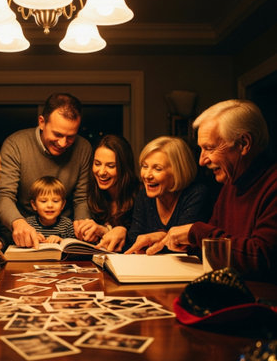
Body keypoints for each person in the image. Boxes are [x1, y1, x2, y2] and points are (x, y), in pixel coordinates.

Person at [144, 100, 277, 281]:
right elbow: (219, 244)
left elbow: (262, 258)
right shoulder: (231, 184)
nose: (202, 160)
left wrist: (196, 233)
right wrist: (177, 240)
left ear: (244, 143)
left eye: (209, 148)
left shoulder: (272, 184)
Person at [0, 93, 92, 248]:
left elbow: (81, 199)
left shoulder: (83, 148)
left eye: (70, 137)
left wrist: (82, 227)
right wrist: (18, 224)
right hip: (22, 235)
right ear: (41, 122)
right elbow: (4, 194)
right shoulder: (15, 144)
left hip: (63, 237)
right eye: (57, 134)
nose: (63, 143)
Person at [125, 136, 211, 252]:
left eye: (157, 169)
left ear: (178, 171)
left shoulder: (196, 194)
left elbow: (181, 245)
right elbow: (134, 241)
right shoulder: (144, 196)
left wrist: (161, 237)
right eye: (145, 166)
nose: (147, 175)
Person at [74, 134, 140, 251]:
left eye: (110, 166)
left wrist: (105, 231)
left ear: (124, 167)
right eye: (97, 164)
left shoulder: (140, 196)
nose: (101, 172)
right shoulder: (91, 193)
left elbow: (140, 239)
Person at [26, 176, 76, 243]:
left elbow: (73, 245)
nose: (50, 205)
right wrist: (31, 240)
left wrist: (61, 241)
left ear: (63, 205)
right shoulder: (28, 224)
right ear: (34, 205)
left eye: (55, 201)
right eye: (43, 201)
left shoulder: (67, 225)